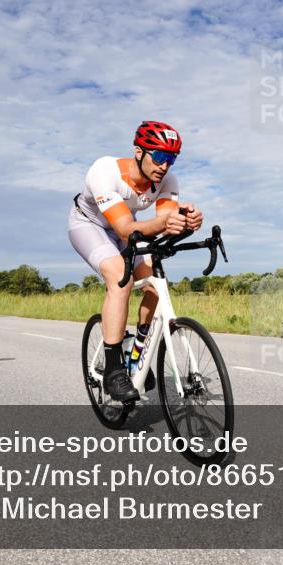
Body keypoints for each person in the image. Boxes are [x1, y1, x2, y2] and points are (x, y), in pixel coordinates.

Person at [68, 121, 202, 402]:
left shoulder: (166, 180)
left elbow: (163, 225)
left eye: (172, 159)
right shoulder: (104, 171)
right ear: (139, 152)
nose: (166, 166)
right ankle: (114, 369)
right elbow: (127, 229)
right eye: (160, 157)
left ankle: (137, 353)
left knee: (155, 280)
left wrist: (186, 222)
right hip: (91, 225)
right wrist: (166, 221)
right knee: (121, 275)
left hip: (127, 227)